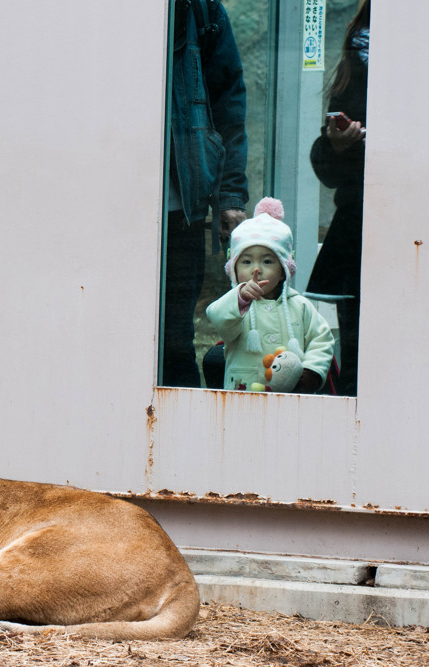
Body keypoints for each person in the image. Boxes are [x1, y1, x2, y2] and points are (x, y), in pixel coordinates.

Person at [161, 0, 248, 387]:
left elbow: (228, 104)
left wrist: (230, 197)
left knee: (176, 340)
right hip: (113, 205)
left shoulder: (202, 12)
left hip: (181, 209)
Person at [205, 198, 334, 393]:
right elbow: (218, 317)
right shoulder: (236, 304)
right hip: (243, 396)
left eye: (267, 261)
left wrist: (311, 373)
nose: (256, 269)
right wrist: (240, 297)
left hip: (291, 398)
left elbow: (322, 339)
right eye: (246, 262)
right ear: (234, 268)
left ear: (284, 269)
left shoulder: (299, 306)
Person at [307, 0, 370, 396]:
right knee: (358, 366)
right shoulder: (358, 53)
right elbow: (331, 174)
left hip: (411, 225)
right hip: (359, 226)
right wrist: (337, 145)